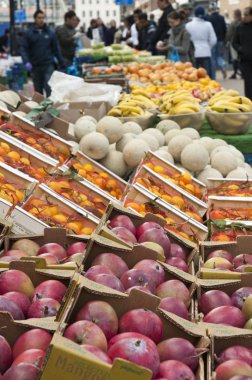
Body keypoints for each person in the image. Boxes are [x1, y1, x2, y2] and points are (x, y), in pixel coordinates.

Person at [20, 9, 64, 96]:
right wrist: (26, 62)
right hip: (35, 66)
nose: (41, 20)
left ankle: (50, 108)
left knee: (49, 87)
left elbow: (56, 49)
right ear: (35, 19)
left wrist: (61, 63)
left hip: (48, 65)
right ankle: (40, 108)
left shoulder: (50, 33)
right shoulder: (29, 33)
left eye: (43, 18)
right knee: (38, 91)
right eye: (39, 18)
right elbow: (23, 48)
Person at [186, 6, 217, 77]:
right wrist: (208, 47)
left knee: (193, 76)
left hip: (193, 53)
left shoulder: (188, 25)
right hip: (205, 52)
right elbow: (213, 40)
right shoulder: (208, 24)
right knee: (206, 76)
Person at [233, 7, 252, 100]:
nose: (244, 17)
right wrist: (241, 49)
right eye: (243, 14)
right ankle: (249, 103)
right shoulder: (239, 27)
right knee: (248, 83)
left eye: (246, 15)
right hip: (245, 60)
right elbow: (234, 42)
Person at [206, 5, 227, 79]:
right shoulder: (222, 18)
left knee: (213, 58)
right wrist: (224, 38)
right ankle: (222, 66)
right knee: (219, 56)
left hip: (212, 40)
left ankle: (213, 74)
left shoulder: (209, 19)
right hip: (220, 40)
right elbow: (225, 29)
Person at [226, 9, 242, 79]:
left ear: (235, 15)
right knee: (241, 58)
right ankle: (239, 72)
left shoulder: (233, 23)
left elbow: (229, 33)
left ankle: (236, 72)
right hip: (242, 43)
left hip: (234, 43)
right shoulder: (243, 22)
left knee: (235, 58)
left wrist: (227, 40)